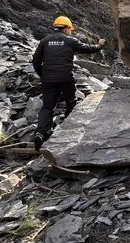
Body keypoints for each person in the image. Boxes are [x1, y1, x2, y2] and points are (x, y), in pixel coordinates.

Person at [32, 16, 106, 151]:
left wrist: (43, 75)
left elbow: (36, 61)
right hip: (66, 78)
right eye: (70, 29)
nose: (71, 32)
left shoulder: (45, 41)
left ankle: (40, 133)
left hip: (48, 79)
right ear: (66, 28)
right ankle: (68, 127)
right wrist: (100, 45)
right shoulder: (70, 41)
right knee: (71, 101)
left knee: (48, 106)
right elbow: (89, 49)